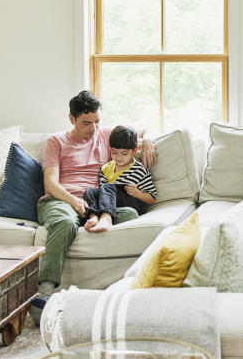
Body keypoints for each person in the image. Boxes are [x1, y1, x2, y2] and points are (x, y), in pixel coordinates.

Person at [30, 91, 156, 324]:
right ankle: (45, 294)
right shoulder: (56, 141)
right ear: (71, 119)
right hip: (61, 200)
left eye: (97, 121)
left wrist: (146, 141)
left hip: (98, 201)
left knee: (129, 214)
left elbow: (139, 132)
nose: (94, 128)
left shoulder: (106, 134)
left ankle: (100, 221)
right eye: (87, 123)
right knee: (65, 222)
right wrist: (74, 201)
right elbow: (51, 183)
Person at [83, 125, 157, 233]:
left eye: (124, 153)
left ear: (134, 151)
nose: (118, 157)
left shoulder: (140, 170)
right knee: (90, 191)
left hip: (132, 202)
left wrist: (137, 193)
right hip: (113, 205)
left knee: (108, 187)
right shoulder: (105, 168)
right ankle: (94, 217)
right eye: (114, 152)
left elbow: (151, 198)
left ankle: (106, 218)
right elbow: (101, 193)